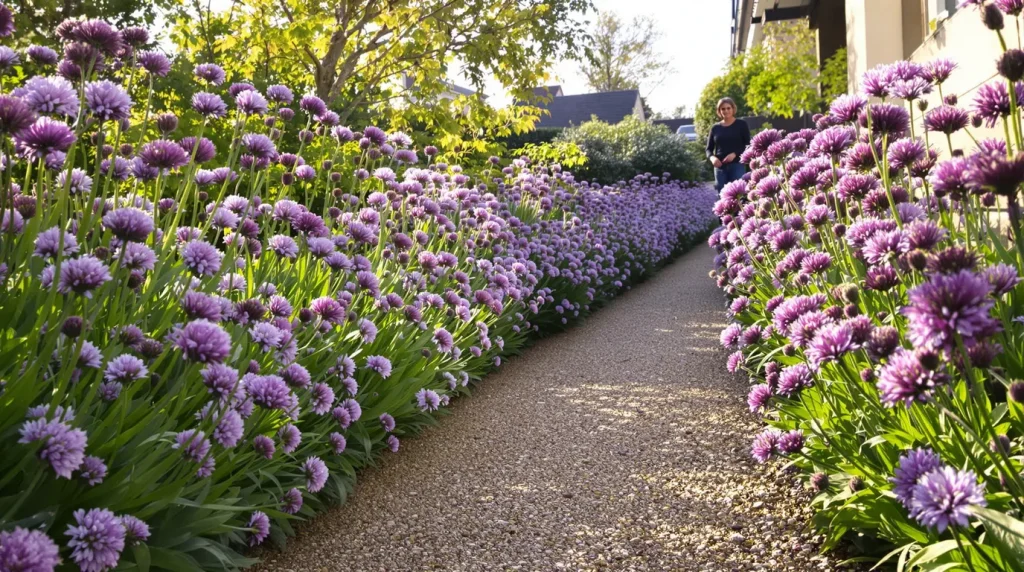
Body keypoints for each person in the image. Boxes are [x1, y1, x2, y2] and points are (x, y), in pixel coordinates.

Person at [706, 97, 751, 191]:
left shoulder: (741, 124)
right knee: (722, 197)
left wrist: (735, 154)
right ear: (719, 111)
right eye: (723, 109)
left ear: (733, 109)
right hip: (720, 168)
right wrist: (712, 158)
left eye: (728, 108)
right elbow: (708, 149)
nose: (726, 111)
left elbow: (748, 145)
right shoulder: (715, 128)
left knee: (740, 195)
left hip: (737, 165)